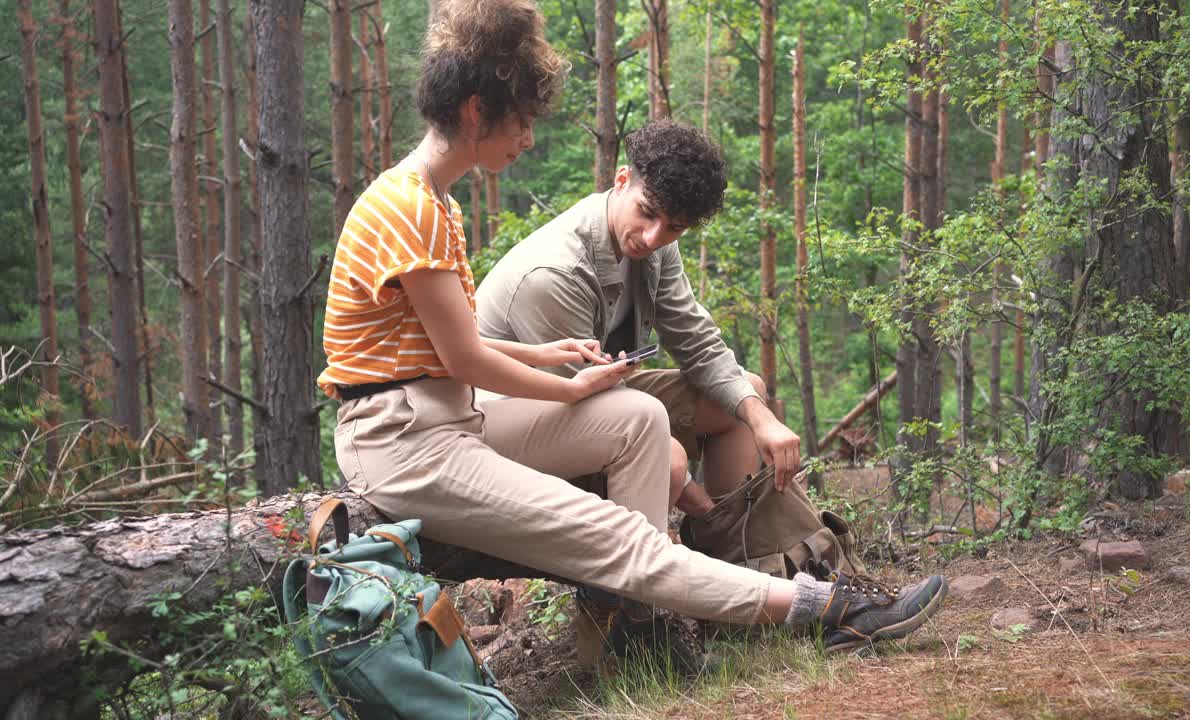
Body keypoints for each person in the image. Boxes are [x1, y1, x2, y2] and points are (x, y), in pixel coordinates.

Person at [319, 0, 947, 674]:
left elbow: (442, 345)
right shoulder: (413, 207)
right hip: (404, 445)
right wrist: (572, 383)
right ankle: (827, 608)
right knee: (621, 534)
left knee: (640, 416)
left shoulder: (431, 201)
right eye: (523, 120)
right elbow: (463, 357)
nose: (527, 137)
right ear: (477, 112)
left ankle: (641, 632)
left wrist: (540, 357)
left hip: (444, 417)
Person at [476, 120, 799, 519]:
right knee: (669, 457)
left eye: (674, 227)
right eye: (647, 213)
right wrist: (691, 495)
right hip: (501, 421)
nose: (652, 237)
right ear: (622, 179)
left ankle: (741, 557)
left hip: (591, 393)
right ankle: (627, 577)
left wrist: (762, 417)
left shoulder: (658, 244)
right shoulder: (554, 273)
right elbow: (577, 393)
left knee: (744, 396)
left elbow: (696, 341)